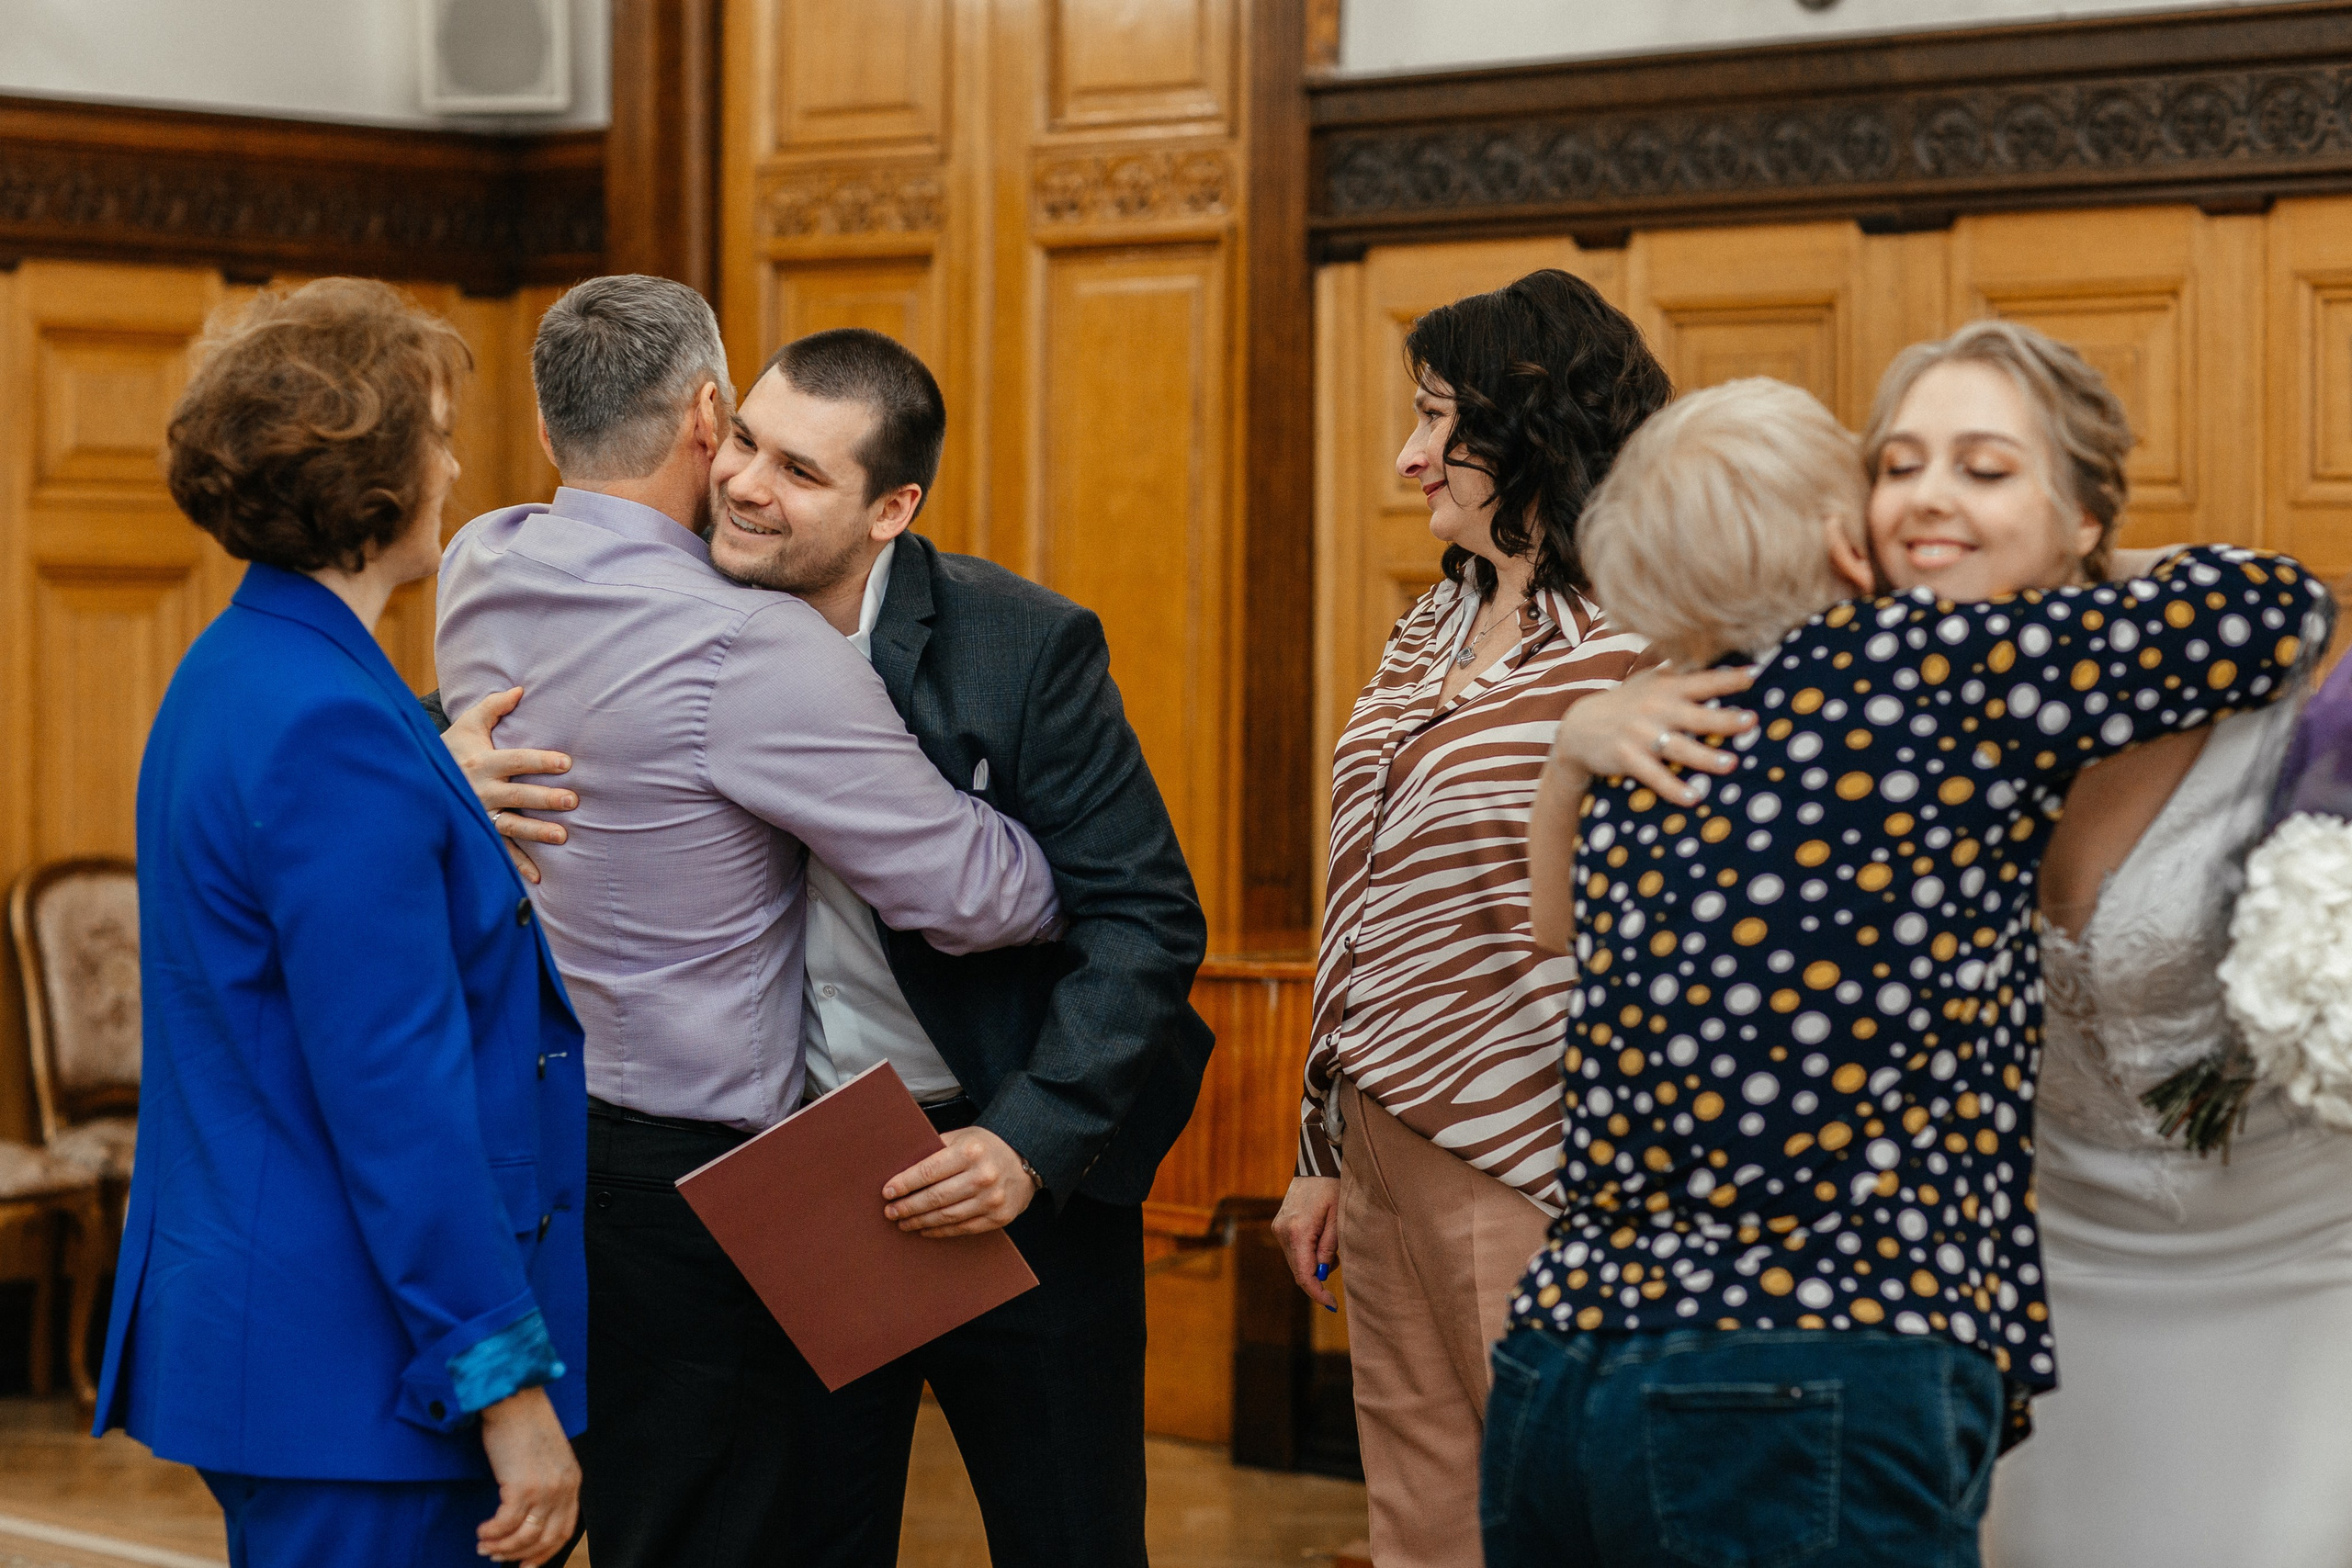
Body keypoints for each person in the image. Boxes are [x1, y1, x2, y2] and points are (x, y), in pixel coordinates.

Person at [1485, 373, 2326, 1566]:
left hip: (1559, 1367)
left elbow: (1551, 934)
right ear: (1847, 542)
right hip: (1805, 1365)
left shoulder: (1645, 742)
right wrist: (2083, 557)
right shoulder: (1924, 670)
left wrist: (1571, 753)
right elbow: (2271, 608)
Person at [447, 326, 1213, 1567]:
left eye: (801, 473)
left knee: (1068, 1538)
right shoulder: (661, 602)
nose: (746, 485)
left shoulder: (1020, 645)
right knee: (811, 1540)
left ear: (890, 509)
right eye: (745, 442)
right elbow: (509, 691)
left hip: (1002, 1155)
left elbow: (1147, 914)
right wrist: (448, 767)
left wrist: (1028, 1142)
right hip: (802, 1175)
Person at [93, 278, 586, 1568]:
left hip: (289, 1343)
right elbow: (394, 1094)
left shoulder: (246, 667)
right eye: (438, 435)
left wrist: (436, 792)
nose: (457, 466)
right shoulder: (331, 724)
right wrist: (507, 1387)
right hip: (363, 1374)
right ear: (370, 477)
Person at [1844, 334, 2352, 1564]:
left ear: (2082, 517)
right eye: (1899, 466)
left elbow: (2288, 601)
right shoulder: (1865, 717)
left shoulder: (2236, 660)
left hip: (2306, 1262)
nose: (1929, 499)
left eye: (1983, 468)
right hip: (2054, 1283)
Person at [1266, 268, 1668, 1567]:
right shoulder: (1433, 623)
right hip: (1382, 1125)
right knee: (1420, 1522)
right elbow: (1362, 892)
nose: (1410, 455)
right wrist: (1321, 1146)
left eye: (1440, 418)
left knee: (1563, 1516)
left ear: (1534, 425)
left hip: (1538, 1138)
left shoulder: (1649, 635)